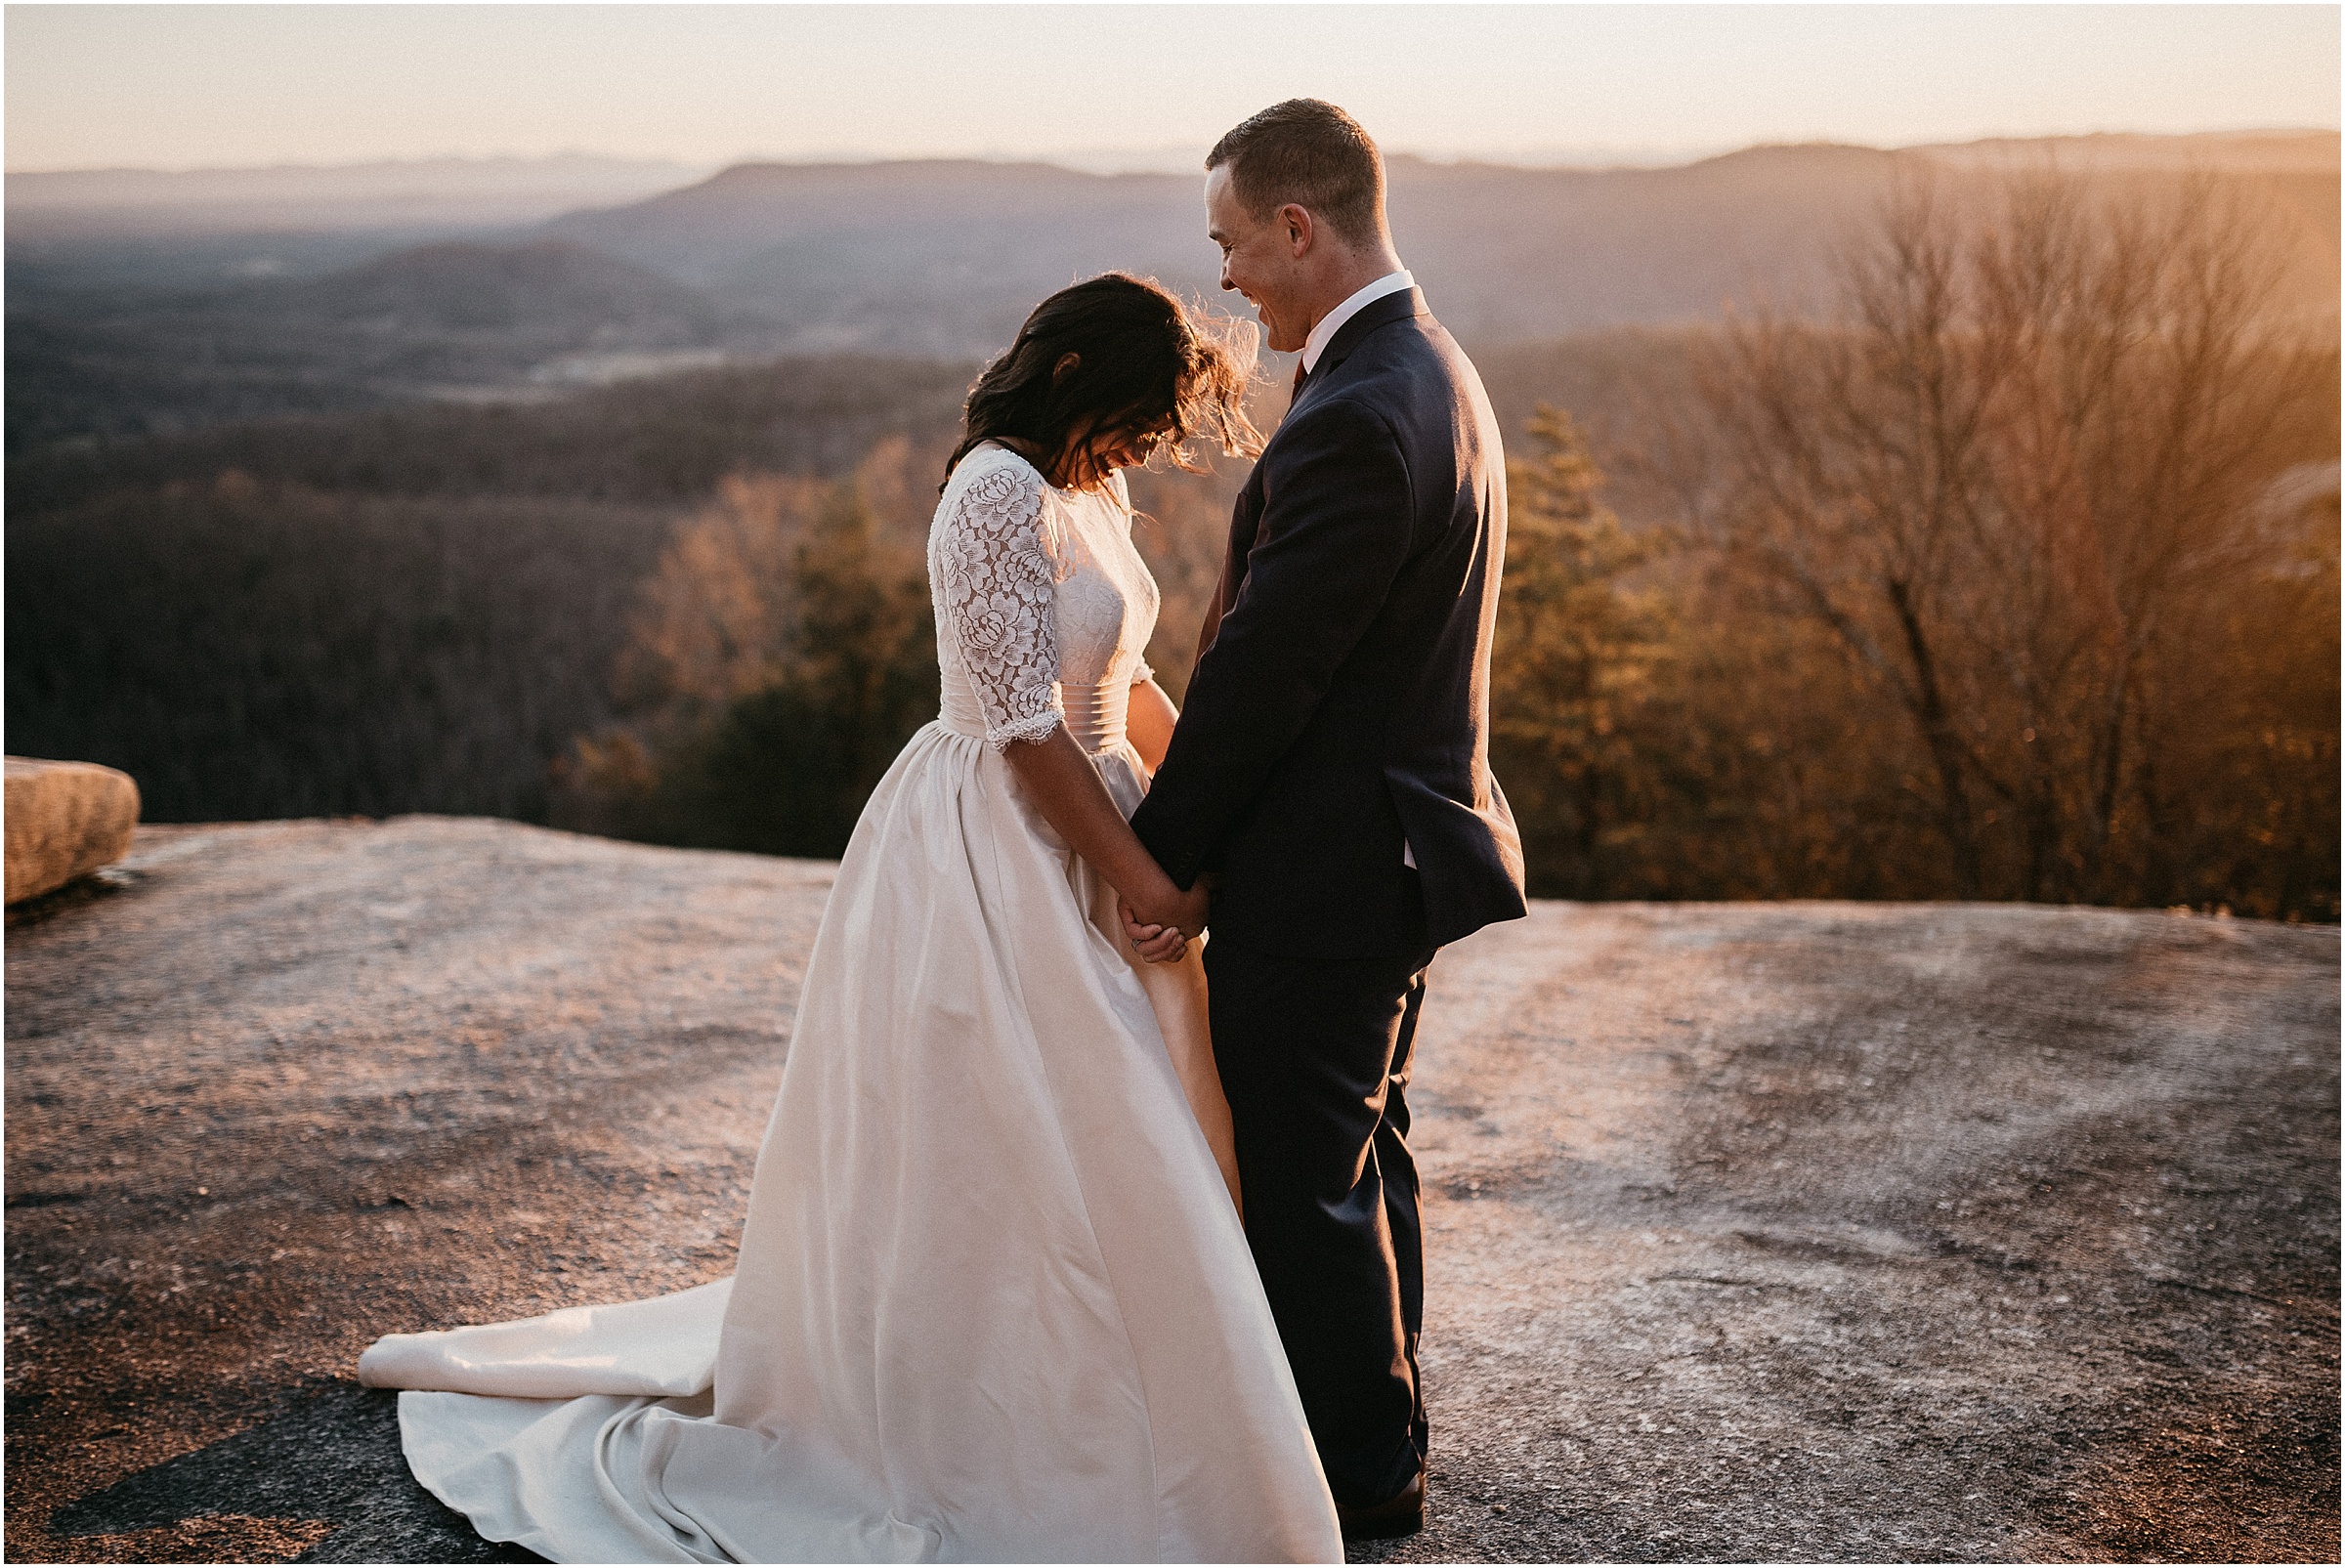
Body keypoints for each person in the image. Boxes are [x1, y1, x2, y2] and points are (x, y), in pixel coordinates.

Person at [358, 273, 1344, 1563]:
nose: (1150, 446)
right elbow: (1021, 729)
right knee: (1025, 1141)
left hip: (1105, 822)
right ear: (1069, 377)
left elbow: (1128, 674)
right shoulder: (993, 490)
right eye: (1137, 415)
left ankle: (1172, 1410)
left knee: (1146, 1138)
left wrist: (1195, 805)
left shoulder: (1088, 486)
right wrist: (1147, 875)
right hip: (1003, 848)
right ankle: (1019, 1428)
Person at [1121, 99, 1528, 1543]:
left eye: (1233, 243)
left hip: (1335, 867)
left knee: (1306, 1182)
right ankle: (1380, 1442)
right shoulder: (1433, 370)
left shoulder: (1362, 408)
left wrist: (1161, 857)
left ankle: (1355, 1487)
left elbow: (1267, 672)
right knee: (1359, 1154)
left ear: (1300, 227)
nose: (1225, 276)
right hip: (1394, 852)